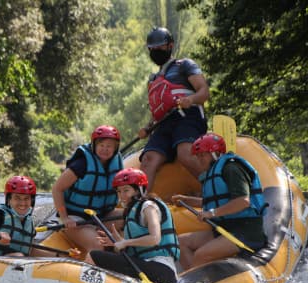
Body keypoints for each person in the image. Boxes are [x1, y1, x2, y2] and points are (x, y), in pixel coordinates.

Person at [172, 134, 267, 270]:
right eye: (198, 156)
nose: (199, 160)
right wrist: (186, 200)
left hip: (245, 231)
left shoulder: (231, 168)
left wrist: (211, 213)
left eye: (202, 155)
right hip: (224, 229)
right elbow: (217, 202)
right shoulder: (214, 171)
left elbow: (242, 201)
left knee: (200, 255)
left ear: (215, 153)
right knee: (180, 242)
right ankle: (193, 280)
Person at [138, 26, 209, 192]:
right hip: (164, 124)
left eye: (159, 47)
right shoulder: (153, 79)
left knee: (185, 153)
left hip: (187, 117)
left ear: (170, 46)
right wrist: (148, 128)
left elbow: (204, 91)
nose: (156, 51)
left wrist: (190, 99)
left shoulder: (185, 65)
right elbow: (157, 111)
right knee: (148, 159)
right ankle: (139, 204)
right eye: (152, 48)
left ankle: (214, 188)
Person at [86, 168, 180, 283]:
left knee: (93, 256)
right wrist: (118, 243)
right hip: (145, 266)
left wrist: (126, 242)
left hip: (162, 270)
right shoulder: (132, 211)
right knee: (105, 253)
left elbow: (155, 238)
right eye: (119, 191)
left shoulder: (148, 206)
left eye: (126, 190)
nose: (122, 195)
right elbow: (132, 248)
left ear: (138, 190)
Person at [52, 125, 124, 255]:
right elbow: (57, 189)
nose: (105, 149)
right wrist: (64, 218)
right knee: (98, 245)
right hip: (76, 219)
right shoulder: (82, 164)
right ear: (94, 145)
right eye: (101, 145)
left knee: (129, 218)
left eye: (109, 146)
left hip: (102, 217)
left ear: (115, 148)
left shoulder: (116, 164)